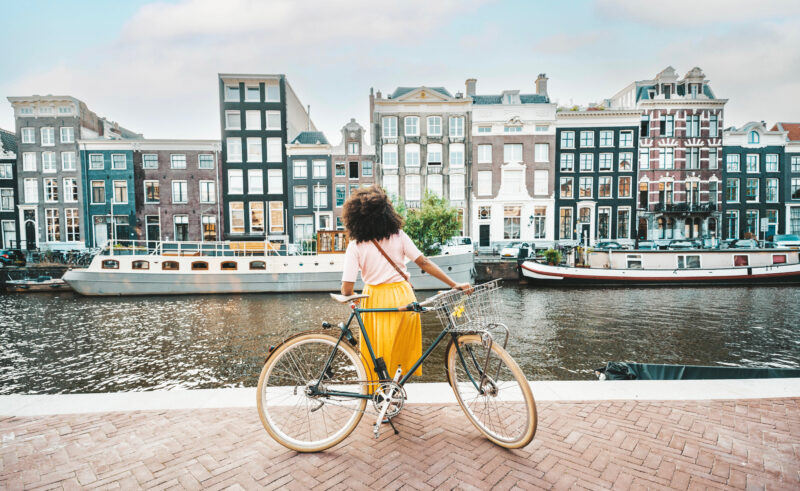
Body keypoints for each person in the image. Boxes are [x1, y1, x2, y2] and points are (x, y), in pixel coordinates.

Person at [340, 186, 471, 385]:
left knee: (378, 350)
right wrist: (454, 284)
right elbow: (424, 262)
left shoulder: (355, 245)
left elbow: (346, 289)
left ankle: (382, 393)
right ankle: (396, 390)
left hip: (375, 301)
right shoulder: (398, 236)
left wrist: (356, 296)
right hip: (403, 296)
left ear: (355, 218)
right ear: (387, 213)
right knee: (400, 348)